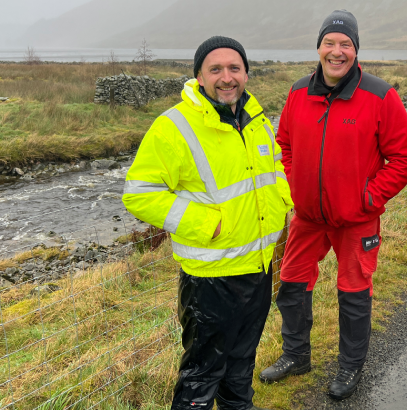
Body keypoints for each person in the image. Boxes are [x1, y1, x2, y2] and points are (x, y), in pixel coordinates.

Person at [122, 36, 292, 410]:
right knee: (202, 377)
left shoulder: (255, 119)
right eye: (215, 69)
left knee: (240, 368)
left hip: (258, 268)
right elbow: (138, 192)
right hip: (211, 280)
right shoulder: (174, 126)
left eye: (234, 68)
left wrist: (283, 202)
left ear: (246, 73)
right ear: (199, 76)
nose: (226, 77)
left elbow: (273, 167)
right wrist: (206, 224)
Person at [260, 9, 407, 401]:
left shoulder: (380, 96)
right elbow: (284, 145)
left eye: (345, 44)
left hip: (356, 219)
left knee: (353, 293)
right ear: (318, 48)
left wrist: (369, 197)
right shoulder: (299, 91)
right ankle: (296, 355)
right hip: (308, 217)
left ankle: (351, 366)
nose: (337, 51)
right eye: (329, 43)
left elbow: (404, 158)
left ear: (355, 50)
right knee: (292, 284)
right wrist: (296, 187)